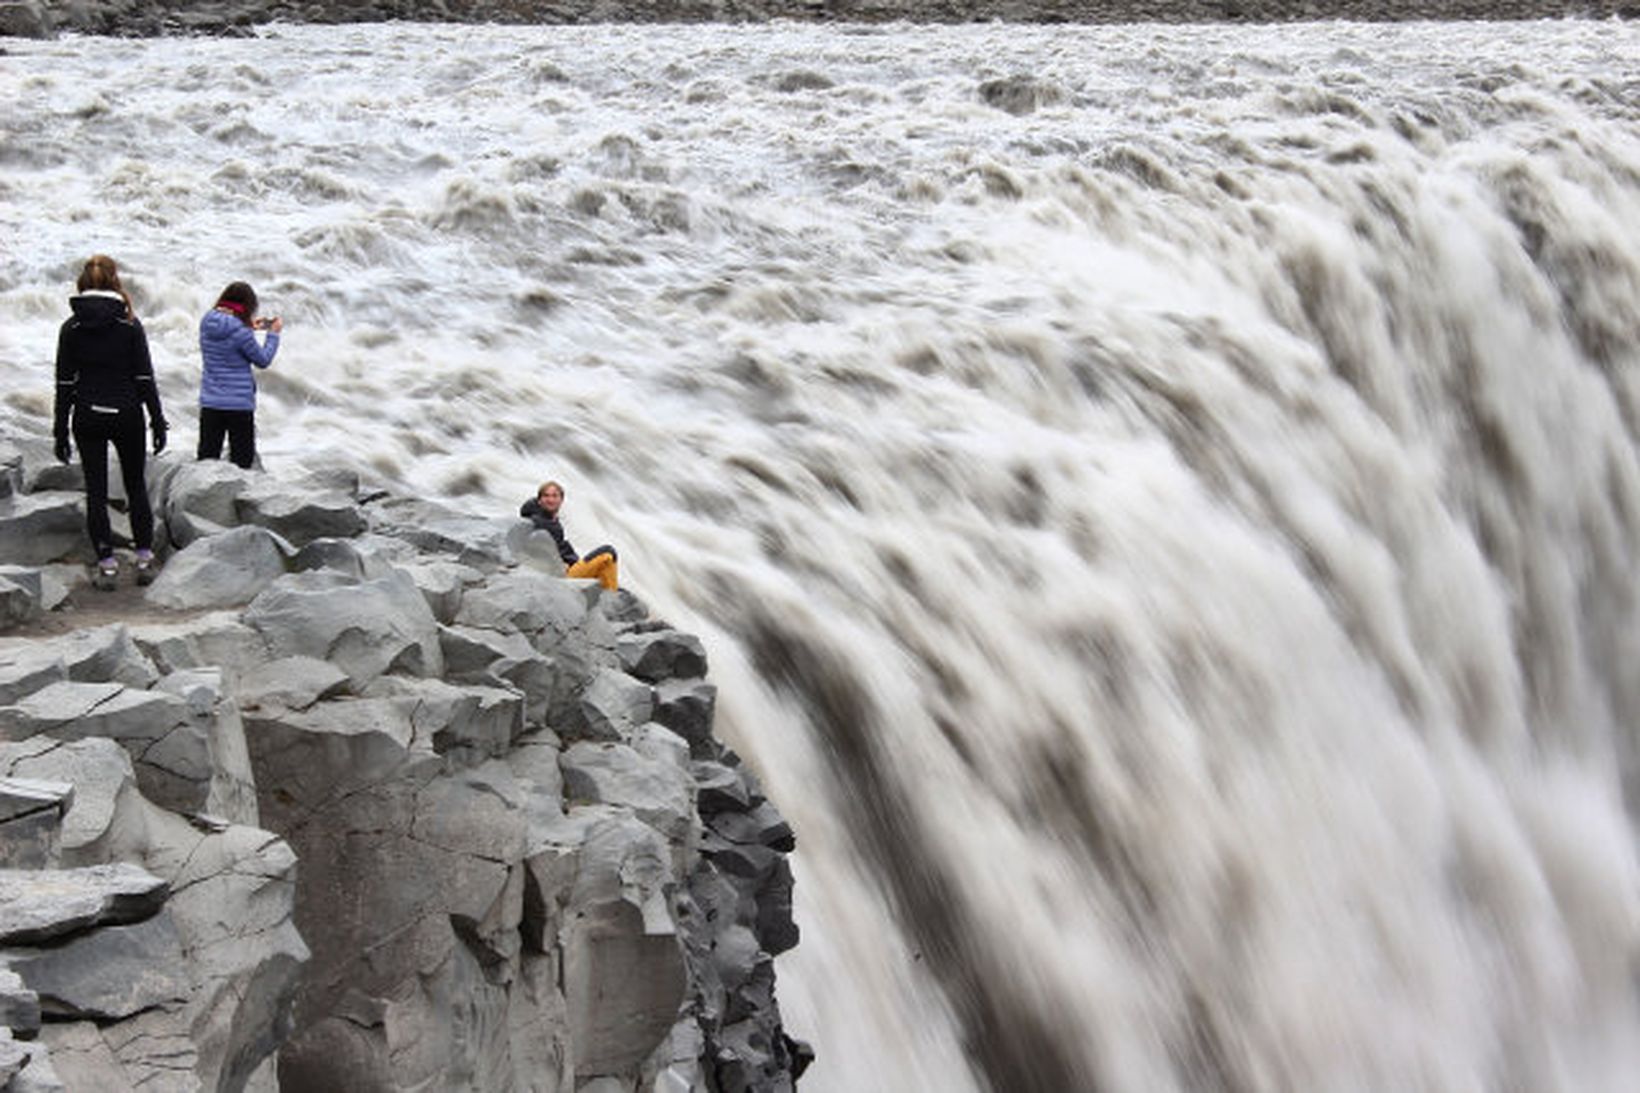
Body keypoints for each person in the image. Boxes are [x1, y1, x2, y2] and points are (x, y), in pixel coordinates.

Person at [52, 254, 169, 590]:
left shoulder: (71, 327)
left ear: (83, 284)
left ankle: (106, 564)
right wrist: (158, 421)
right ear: (115, 281)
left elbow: (64, 384)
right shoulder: (129, 324)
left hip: (87, 415)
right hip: (127, 414)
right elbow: (144, 377)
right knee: (135, 487)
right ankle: (145, 558)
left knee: (97, 492)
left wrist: (60, 431)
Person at [197, 281, 280, 469]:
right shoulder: (242, 332)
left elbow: (227, 335)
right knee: (242, 463)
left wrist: (249, 327)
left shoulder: (206, 322)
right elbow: (263, 360)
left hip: (211, 402)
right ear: (248, 305)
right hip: (238, 405)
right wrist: (273, 335)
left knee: (206, 461)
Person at [520, 480, 619, 591]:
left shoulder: (550, 521)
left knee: (604, 561)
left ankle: (609, 591)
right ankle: (612, 597)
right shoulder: (538, 522)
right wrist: (561, 565)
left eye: (554, 496)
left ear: (561, 500)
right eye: (546, 496)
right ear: (539, 501)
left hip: (567, 569)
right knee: (608, 554)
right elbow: (539, 551)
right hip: (563, 577)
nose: (550, 500)